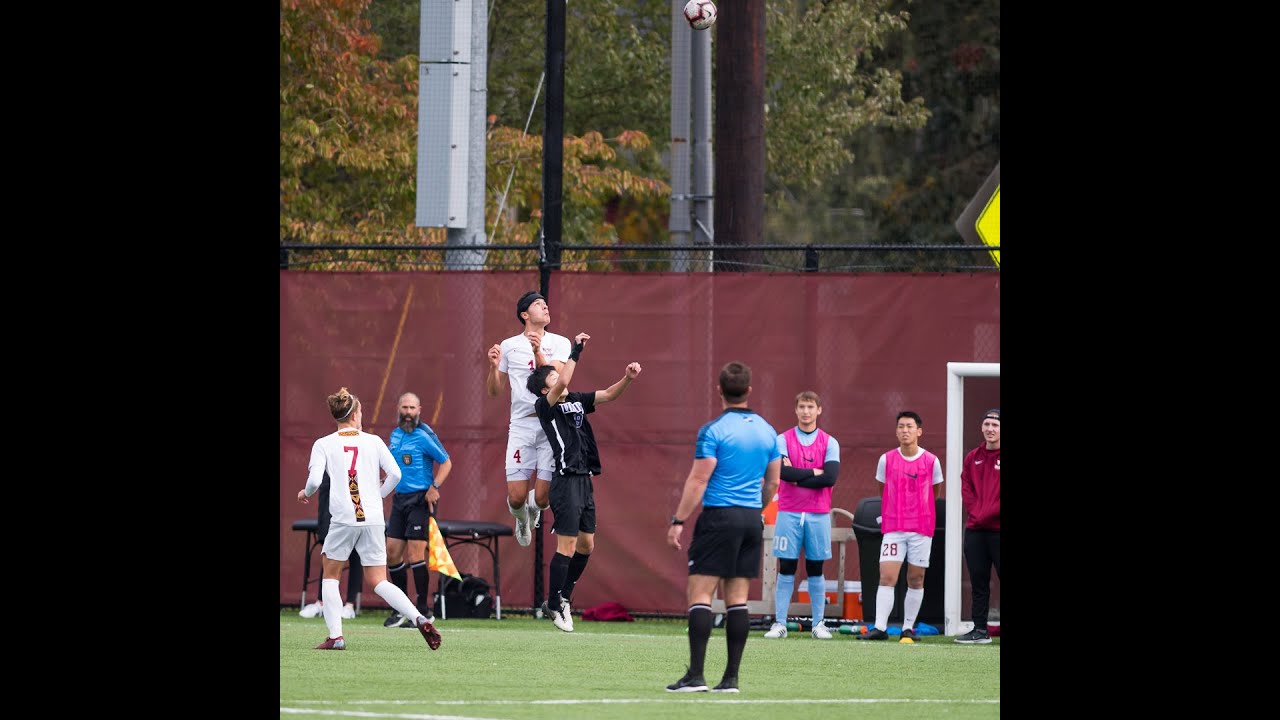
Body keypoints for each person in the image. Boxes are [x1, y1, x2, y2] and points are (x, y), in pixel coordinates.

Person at [665, 362, 781, 693]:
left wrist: (678, 520)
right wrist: (753, 509)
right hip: (750, 519)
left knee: (700, 595)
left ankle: (696, 677)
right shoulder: (768, 431)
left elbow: (699, 479)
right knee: (738, 599)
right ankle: (730, 679)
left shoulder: (713, 430)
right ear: (749, 391)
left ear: (719, 391)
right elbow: (772, 485)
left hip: (719, 517)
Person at [297, 387, 442, 652]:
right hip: (373, 519)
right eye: (361, 411)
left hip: (343, 519)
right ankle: (418, 617)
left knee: (330, 574)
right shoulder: (373, 441)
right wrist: (378, 494)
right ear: (354, 415)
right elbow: (395, 475)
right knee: (378, 580)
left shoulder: (324, 444)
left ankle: (335, 636)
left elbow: (315, 481)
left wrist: (304, 493)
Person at [526, 332, 642, 632]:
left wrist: (627, 378)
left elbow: (608, 394)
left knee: (587, 545)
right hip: (564, 482)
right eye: (552, 375)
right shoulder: (545, 407)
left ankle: (563, 597)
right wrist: (576, 351)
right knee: (565, 546)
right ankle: (553, 603)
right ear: (543, 389)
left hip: (585, 479)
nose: (559, 376)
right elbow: (562, 382)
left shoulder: (576, 400)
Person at [485, 291, 572, 547]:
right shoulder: (509, 345)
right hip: (522, 426)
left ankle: (533, 510)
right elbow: (493, 391)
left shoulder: (560, 342)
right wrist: (493, 366)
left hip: (549, 425)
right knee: (516, 499)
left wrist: (537, 351)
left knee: (544, 499)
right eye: (538, 304)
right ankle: (522, 518)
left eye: (546, 303)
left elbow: (554, 379)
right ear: (525, 314)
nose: (545, 306)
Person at [856, 410, 944, 644]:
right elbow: (882, 490)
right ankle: (880, 628)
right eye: (901, 427)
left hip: (921, 529)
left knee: (916, 579)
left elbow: (935, 493)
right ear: (896, 431)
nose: (905, 431)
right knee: (887, 576)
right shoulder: (886, 459)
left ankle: (907, 629)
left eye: (909, 426)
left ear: (919, 431)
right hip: (894, 528)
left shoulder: (931, 461)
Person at [764, 391, 841, 640]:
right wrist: (813, 472)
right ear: (795, 410)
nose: (806, 411)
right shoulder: (782, 439)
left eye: (810, 407)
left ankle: (819, 624)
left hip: (818, 514)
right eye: (802, 407)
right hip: (789, 512)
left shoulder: (829, 442)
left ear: (819, 410)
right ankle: (780, 623)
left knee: (815, 568)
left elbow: (830, 477)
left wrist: (802, 475)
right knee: (786, 567)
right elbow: (783, 474)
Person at [382, 392, 453, 628]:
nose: (408, 412)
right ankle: (402, 608)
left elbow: (446, 462)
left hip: (420, 501)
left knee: (415, 555)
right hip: (399, 500)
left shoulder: (424, 436)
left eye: (412, 408)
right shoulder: (394, 435)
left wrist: (435, 487)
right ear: (398, 408)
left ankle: (423, 610)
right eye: (405, 407)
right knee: (391, 552)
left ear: (419, 409)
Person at [955, 408, 1000, 644]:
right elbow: (967, 489)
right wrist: (977, 514)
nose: (990, 429)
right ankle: (980, 631)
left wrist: (986, 513)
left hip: (998, 530)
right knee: (979, 582)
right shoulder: (973, 457)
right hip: (975, 531)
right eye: (987, 425)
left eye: (995, 425)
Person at [298, 470, 363, 620]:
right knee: (329, 551)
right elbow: (315, 480)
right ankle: (321, 603)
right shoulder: (325, 449)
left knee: (355, 553)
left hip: (354, 479)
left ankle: (349, 605)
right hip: (331, 480)